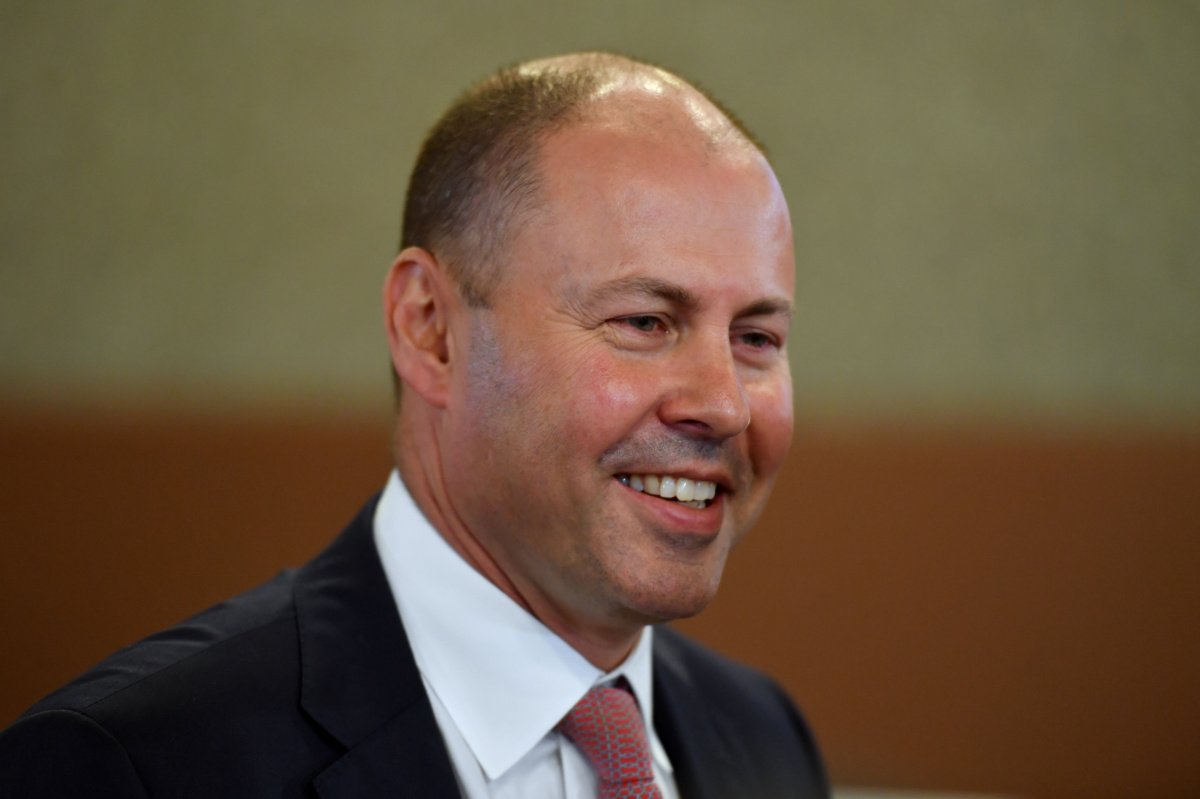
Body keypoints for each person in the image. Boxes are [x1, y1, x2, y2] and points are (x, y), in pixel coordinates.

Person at [0, 52, 828, 798]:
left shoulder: (766, 738)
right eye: (644, 321)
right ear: (430, 329)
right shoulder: (128, 768)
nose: (724, 404)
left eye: (756, 338)